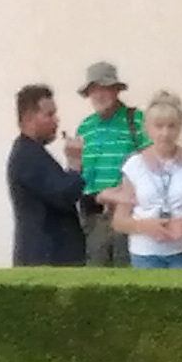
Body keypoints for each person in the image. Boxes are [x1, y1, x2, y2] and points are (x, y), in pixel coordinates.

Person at [117, 90, 182, 269]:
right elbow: (119, 220)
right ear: (148, 129)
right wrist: (146, 226)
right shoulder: (134, 166)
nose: (165, 133)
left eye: (171, 126)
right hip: (145, 254)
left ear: (180, 128)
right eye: (159, 126)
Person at [5, 84, 86, 266]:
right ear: (28, 119)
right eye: (49, 115)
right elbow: (64, 195)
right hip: (44, 258)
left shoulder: (34, 153)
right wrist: (74, 165)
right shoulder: (27, 156)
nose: (56, 121)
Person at [72, 60, 143, 268]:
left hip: (126, 214)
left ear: (115, 90)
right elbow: (80, 172)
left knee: (126, 277)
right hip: (94, 217)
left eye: (104, 87)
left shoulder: (136, 120)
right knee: (95, 279)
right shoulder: (85, 127)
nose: (98, 94)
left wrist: (122, 193)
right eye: (93, 89)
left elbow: (150, 165)